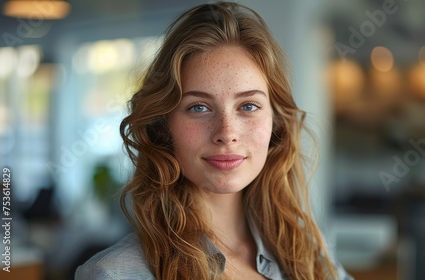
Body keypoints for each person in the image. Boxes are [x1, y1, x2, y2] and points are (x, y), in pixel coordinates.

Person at [76, 2, 352, 279]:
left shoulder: (306, 255)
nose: (226, 132)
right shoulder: (114, 274)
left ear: (275, 122)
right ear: (163, 126)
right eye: (199, 107)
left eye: (248, 106)